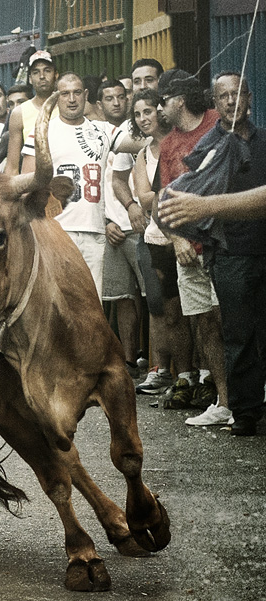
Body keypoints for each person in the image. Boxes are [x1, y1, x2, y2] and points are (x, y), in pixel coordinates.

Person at [167, 73, 265, 434]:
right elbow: (176, 198)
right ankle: (245, 412)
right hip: (230, 252)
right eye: (222, 96)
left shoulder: (264, 141)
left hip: (263, 247)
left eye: (237, 93)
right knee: (237, 334)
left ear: (249, 98)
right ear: (215, 102)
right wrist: (183, 236)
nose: (231, 101)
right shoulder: (208, 148)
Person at [156, 68, 227, 416]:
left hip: (222, 242)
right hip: (188, 248)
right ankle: (222, 401)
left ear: (179, 101)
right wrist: (177, 239)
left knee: (228, 317)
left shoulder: (216, 123)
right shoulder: (167, 145)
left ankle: (242, 395)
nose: (158, 109)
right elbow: (163, 201)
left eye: (163, 101)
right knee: (205, 323)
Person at [21, 72, 109, 298]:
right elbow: (27, 182)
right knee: (57, 301)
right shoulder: (42, 131)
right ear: (55, 98)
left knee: (92, 303)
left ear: (85, 95)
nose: (71, 99)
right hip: (56, 230)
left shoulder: (102, 130)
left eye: (77, 93)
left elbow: (137, 141)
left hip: (94, 230)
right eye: (65, 93)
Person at [130, 88, 180, 398]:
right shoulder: (142, 154)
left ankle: (192, 374)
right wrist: (167, 194)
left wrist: (160, 195)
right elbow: (144, 197)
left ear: (159, 111)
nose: (143, 118)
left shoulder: (177, 142)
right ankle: (163, 371)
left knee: (190, 310)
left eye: (147, 111)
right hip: (156, 236)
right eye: (137, 114)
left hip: (188, 233)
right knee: (159, 305)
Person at [95, 79, 147, 376]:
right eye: (108, 98)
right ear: (99, 103)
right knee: (123, 299)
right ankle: (128, 361)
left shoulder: (137, 129)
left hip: (140, 224)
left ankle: (157, 363)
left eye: (120, 97)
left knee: (154, 300)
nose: (115, 102)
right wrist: (105, 222)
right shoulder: (93, 135)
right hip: (111, 227)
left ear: (127, 99)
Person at [6, 50, 59, 175]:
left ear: (56, 75)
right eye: (36, 72)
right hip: (34, 182)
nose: (42, 76)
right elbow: (12, 166)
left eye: (47, 70)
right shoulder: (19, 113)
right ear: (30, 78)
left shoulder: (66, 107)